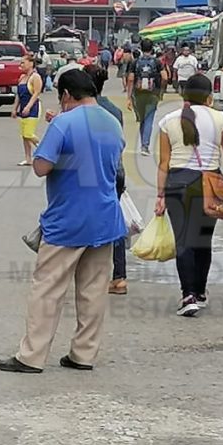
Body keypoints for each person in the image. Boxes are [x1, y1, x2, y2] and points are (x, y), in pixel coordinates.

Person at [0, 69, 126, 374]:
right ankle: (84, 354)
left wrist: (50, 136)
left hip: (67, 220)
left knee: (47, 289)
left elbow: (41, 167)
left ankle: (31, 356)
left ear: (67, 95)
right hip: (106, 218)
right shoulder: (112, 122)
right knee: (93, 290)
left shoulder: (63, 123)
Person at [155, 74, 223, 317]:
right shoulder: (222, 119)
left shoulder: (168, 121)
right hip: (210, 184)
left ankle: (188, 295)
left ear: (185, 95)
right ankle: (199, 291)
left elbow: (164, 163)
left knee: (183, 242)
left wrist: (160, 195)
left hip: (177, 183)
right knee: (203, 241)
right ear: (209, 97)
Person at [86, 63, 128, 295]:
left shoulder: (79, 111)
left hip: (88, 174)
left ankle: (86, 274)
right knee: (114, 221)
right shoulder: (114, 110)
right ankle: (119, 276)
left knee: (82, 219)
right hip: (115, 172)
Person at [127, 39, 168, 156]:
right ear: (152, 48)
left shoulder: (135, 62)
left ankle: (143, 144)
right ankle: (145, 146)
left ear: (141, 48)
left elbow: (130, 79)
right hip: (152, 94)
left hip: (138, 94)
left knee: (142, 119)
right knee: (149, 119)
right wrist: (161, 91)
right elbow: (165, 77)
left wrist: (129, 97)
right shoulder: (157, 62)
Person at [13, 54, 43, 166]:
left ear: (31, 63)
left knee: (29, 133)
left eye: (23, 63)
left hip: (33, 108)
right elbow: (19, 95)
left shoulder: (36, 77)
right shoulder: (22, 78)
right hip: (23, 107)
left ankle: (43, 148)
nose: (21, 65)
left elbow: (36, 93)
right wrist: (15, 108)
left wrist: (28, 107)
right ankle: (28, 158)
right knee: (24, 135)